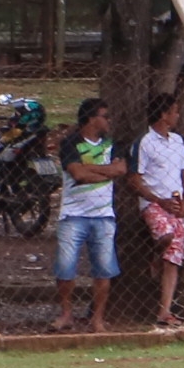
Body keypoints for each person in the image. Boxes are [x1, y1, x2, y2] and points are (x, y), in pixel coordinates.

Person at [52, 97, 128, 333]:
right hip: (73, 214)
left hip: (103, 215)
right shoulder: (70, 143)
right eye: (105, 117)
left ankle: (97, 319)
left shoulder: (112, 144)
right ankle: (66, 314)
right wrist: (106, 172)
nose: (109, 121)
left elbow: (121, 169)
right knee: (66, 267)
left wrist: (90, 170)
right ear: (92, 119)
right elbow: (78, 174)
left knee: (103, 269)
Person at [128, 93, 184, 326]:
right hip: (154, 203)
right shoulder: (145, 142)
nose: (177, 116)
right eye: (174, 111)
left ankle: (164, 311)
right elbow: (135, 179)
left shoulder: (177, 141)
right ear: (164, 115)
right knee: (166, 235)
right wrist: (158, 200)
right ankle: (155, 256)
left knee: (173, 258)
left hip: (176, 203)